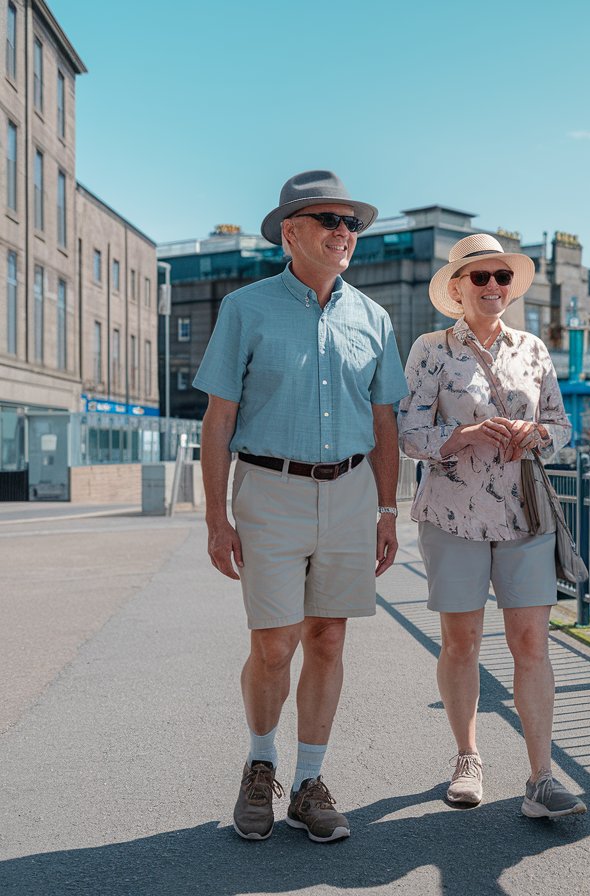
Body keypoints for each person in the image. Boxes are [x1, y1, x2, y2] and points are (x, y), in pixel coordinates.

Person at [194, 170, 408, 842]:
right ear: (291, 231)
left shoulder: (373, 318)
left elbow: (385, 426)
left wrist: (386, 511)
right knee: (274, 643)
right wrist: (215, 518)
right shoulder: (245, 308)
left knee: (328, 636)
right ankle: (261, 764)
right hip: (268, 491)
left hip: (349, 493)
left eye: (351, 224)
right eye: (328, 221)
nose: (343, 233)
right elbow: (218, 420)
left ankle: (310, 782)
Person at [398, 233, 586, 818]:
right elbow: (405, 433)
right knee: (462, 642)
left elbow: (560, 426)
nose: (493, 287)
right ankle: (467, 757)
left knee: (530, 641)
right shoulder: (430, 349)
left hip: (524, 515)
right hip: (453, 515)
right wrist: (465, 437)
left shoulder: (532, 349)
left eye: (502, 277)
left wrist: (537, 435)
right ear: (456, 288)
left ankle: (541, 777)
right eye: (479, 277)